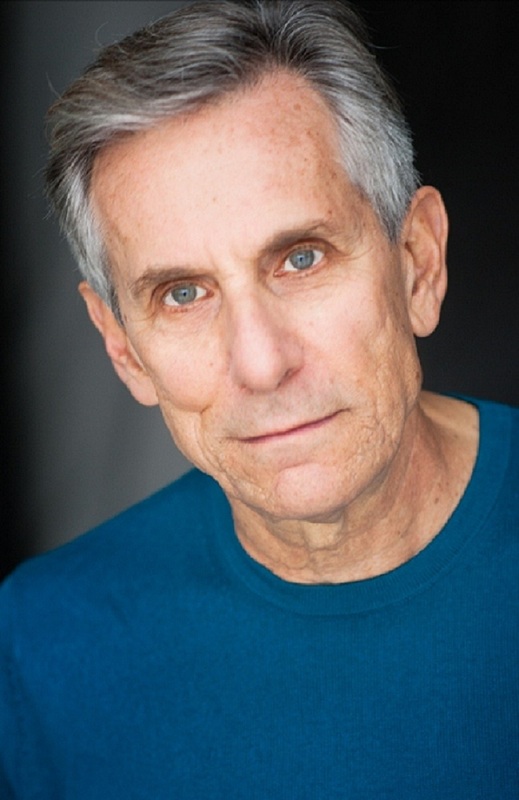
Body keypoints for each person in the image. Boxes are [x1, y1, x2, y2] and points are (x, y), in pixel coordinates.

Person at [1, 0, 517, 796]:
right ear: (122, 348)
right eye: (182, 294)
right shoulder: (41, 644)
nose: (261, 363)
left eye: (301, 258)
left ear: (416, 262)